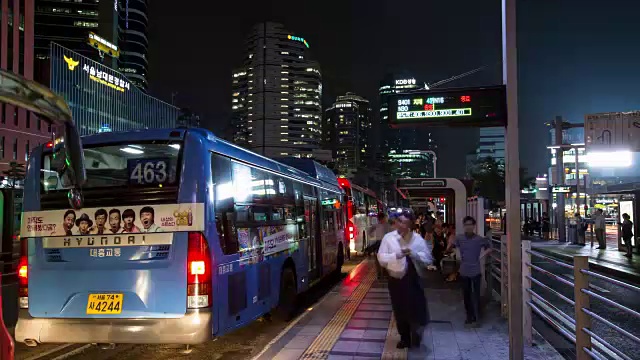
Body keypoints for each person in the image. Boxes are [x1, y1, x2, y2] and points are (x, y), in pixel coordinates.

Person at [377, 211, 432, 349]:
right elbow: (381, 258)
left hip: (413, 280)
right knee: (399, 310)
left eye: (404, 222)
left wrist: (414, 254)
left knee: (415, 309)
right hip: (396, 280)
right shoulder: (389, 238)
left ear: (410, 224)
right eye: (399, 221)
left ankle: (417, 332)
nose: (400, 224)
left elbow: (428, 259)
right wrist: (396, 255)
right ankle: (404, 338)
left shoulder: (418, 240)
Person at [445, 216, 491, 326]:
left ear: (474, 226)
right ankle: (469, 316)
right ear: (464, 226)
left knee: (476, 295)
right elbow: (449, 249)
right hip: (464, 271)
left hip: (476, 271)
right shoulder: (459, 238)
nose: (469, 227)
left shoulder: (479, 239)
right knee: (466, 295)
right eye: (466, 225)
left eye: (471, 225)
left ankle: (476, 317)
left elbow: (489, 247)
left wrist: (481, 256)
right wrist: (450, 243)